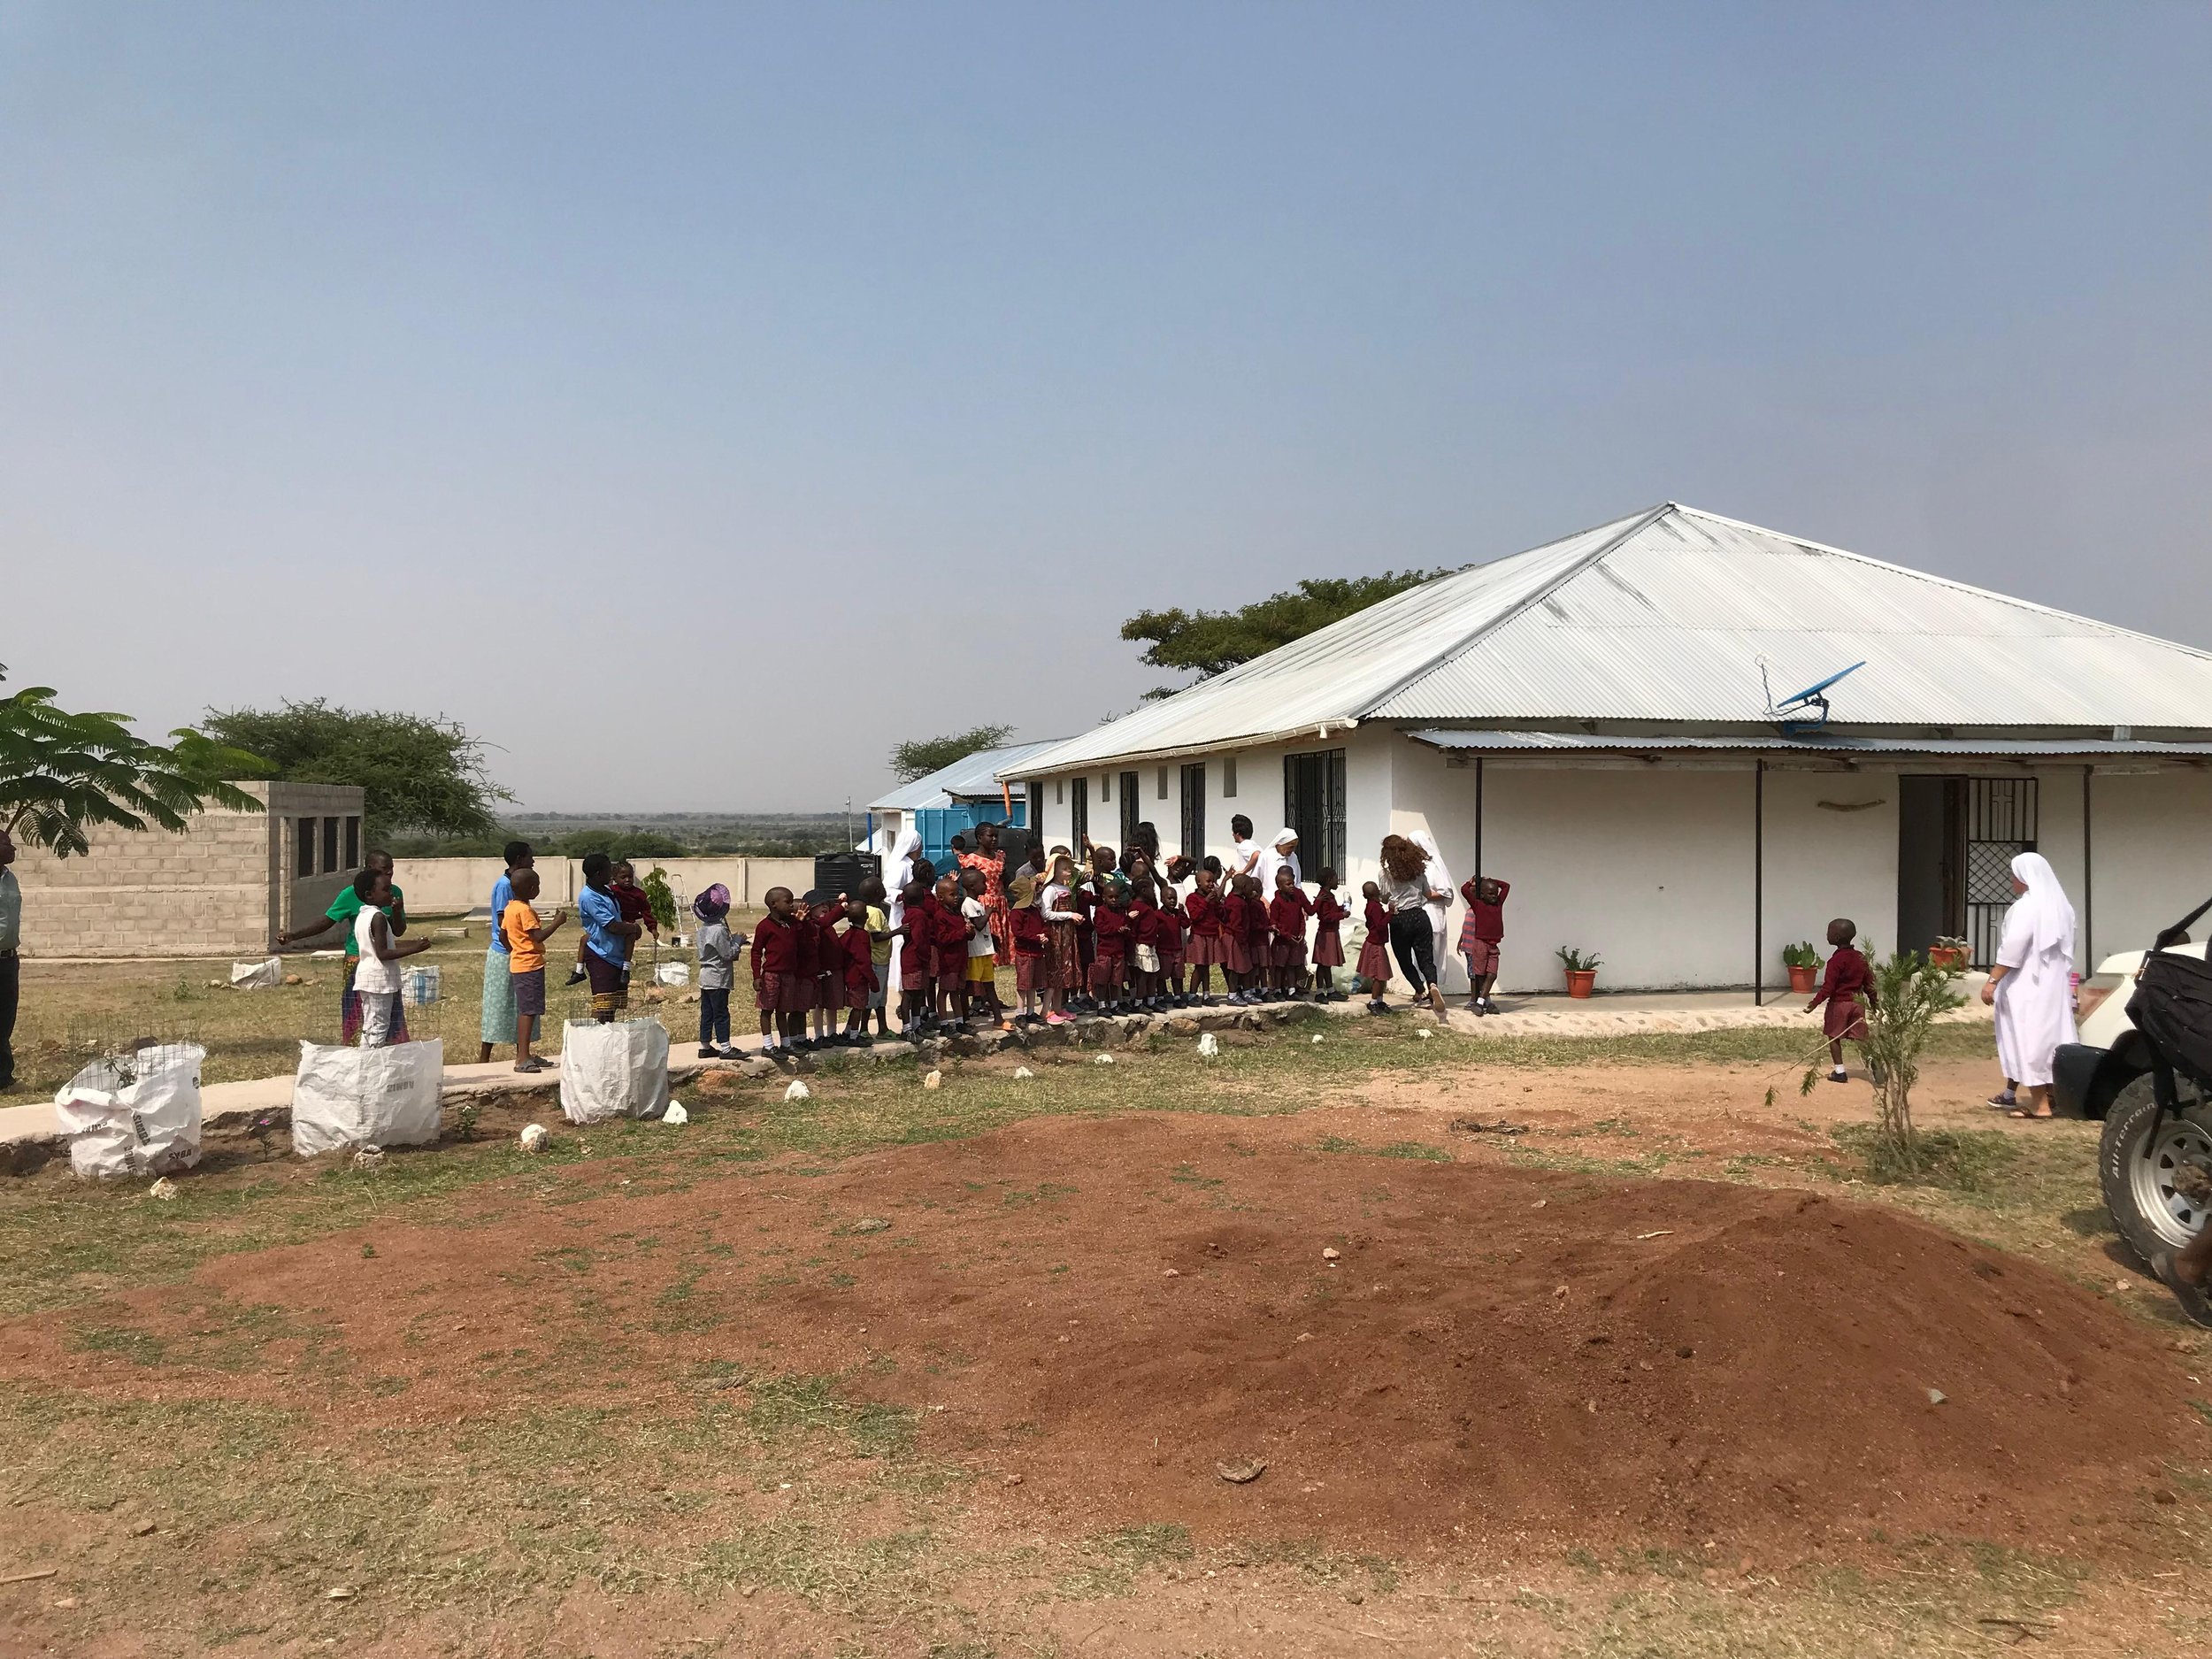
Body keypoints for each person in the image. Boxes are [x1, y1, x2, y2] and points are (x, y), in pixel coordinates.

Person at [279, 848, 411, 1045]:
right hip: (359, 961)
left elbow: (398, 931)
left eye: (391, 868)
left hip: (385, 964)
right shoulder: (350, 895)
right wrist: (294, 936)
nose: (390, 872)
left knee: (388, 1010)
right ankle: (357, 1048)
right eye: (385, 868)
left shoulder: (393, 892)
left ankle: (391, 1049)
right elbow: (327, 921)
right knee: (358, 1010)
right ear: (369, 869)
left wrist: (397, 911)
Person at [1983, 852, 2078, 1120]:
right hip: (2054, 987)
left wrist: (1992, 980)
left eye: (2014, 875)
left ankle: (2041, 1105)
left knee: (2029, 1040)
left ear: (2025, 877)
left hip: (2026, 986)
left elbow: (2013, 948)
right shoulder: (2064, 908)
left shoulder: (2026, 907)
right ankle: (2055, 1097)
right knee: (2053, 1040)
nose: (2012, 880)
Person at [350, 866, 430, 1046]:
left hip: (367, 976)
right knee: (379, 1025)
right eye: (386, 890)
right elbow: (383, 953)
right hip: (379, 979)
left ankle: (365, 1058)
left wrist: (397, 912)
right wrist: (415, 948)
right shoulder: (378, 917)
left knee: (370, 1025)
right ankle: (371, 1059)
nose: (391, 894)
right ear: (370, 895)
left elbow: (387, 941)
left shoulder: (363, 915)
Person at [500, 867, 565, 1072]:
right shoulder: (525, 911)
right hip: (530, 965)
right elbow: (538, 937)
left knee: (528, 1009)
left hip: (520, 963)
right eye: (537, 886)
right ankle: (522, 1058)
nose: (538, 889)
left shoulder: (510, 908)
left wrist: (515, 950)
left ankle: (525, 1054)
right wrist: (557, 922)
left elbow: (503, 936)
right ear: (531, 889)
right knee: (528, 1011)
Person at [1378, 834, 1448, 1017]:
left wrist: (1387, 898)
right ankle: (1432, 984)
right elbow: (1427, 894)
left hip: (1399, 919)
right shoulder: (1418, 871)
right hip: (1420, 917)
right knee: (1426, 958)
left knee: (1404, 959)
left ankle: (1420, 991)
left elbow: (1384, 898)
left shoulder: (1385, 874)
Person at [479, 840, 534, 1064]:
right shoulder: (505, 885)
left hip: (517, 952)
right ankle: (484, 1058)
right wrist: (516, 949)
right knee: (498, 1007)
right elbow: (505, 924)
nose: (533, 861)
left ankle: (524, 1053)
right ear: (519, 860)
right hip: (505, 953)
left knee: (523, 1005)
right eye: (530, 857)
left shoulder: (518, 884)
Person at [1804, 917, 1875, 1082]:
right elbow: (1870, 983)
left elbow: (1828, 988)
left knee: (1834, 1036)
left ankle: (1840, 1071)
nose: (1826, 935)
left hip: (1839, 1005)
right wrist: (1874, 1001)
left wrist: (1814, 1003)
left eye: (1829, 932)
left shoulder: (1835, 961)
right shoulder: (1861, 957)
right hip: (1858, 1004)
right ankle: (1874, 1064)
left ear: (1836, 937)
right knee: (1861, 1037)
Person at [574, 853, 641, 1023]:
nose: (611, 873)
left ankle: (607, 1037)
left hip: (615, 954)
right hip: (601, 955)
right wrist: (634, 928)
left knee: (611, 1006)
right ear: (598, 873)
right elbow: (611, 926)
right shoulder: (589, 897)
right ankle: (593, 1037)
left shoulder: (607, 891)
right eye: (608, 869)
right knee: (602, 1007)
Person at [749, 886, 803, 1052]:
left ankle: (786, 1044)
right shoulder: (765, 926)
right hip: (771, 975)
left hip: (789, 975)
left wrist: (802, 923)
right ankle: (768, 1045)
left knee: (783, 1010)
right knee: (767, 1010)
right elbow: (756, 952)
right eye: (788, 902)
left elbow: (804, 940)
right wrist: (757, 976)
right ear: (774, 904)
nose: (791, 905)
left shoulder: (793, 924)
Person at [694, 884, 743, 1059]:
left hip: (705, 977)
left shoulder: (702, 930)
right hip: (718, 977)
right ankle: (726, 1048)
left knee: (707, 1013)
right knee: (721, 1013)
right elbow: (727, 953)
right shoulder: (719, 930)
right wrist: (737, 941)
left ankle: (705, 1046)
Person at [957, 822, 1014, 970]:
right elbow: (966, 884)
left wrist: (1005, 875)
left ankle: (1003, 961)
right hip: (982, 903)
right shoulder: (971, 860)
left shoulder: (1000, 856)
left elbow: (1006, 883)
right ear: (979, 838)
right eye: (990, 836)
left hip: (1000, 901)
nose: (994, 839)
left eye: (996, 836)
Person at [1457, 874, 1511, 1016]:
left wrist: (1490, 881)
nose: (1494, 896)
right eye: (1490, 894)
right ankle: (1483, 1001)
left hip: (1493, 945)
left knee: (1492, 974)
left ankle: (1481, 1001)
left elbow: (1506, 886)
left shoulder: (1499, 903)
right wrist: (1474, 883)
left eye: (1495, 893)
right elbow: (1464, 890)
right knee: (1479, 974)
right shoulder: (1478, 905)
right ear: (1482, 895)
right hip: (1481, 943)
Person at [1041, 853, 1082, 1025]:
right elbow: (1046, 913)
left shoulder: (1065, 888)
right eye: (1064, 869)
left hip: (1067, 933)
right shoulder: (1050, 890)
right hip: (1055, 934)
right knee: (1054, 970)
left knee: (1063, 972)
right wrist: (1069, 915)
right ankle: (1045, 1010)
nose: (1069, 871)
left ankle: (1057, 1008)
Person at [958, 866, 1002, 1026]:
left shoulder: (977, 903)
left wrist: (993, 938)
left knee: (989, 984)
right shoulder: (968, 904)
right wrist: (989, 912)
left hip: (984, 950)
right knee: (968, 986)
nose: (985, 885)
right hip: (975, 952)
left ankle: (998, 1018)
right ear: (971, 886)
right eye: (982, 883)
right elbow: (979, 924)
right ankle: (964, 1019)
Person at [883, 828, 921, 1002]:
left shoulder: (911, 865)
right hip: (901, 917)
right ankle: (902, 994)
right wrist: (905, 896)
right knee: (902, 951)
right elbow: (887, 890)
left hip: (914, 915)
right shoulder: (901, 866)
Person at [1268, 864, 1312, 999]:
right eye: (1288, 884)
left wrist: (1301, 933)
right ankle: (1278, 990)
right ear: (1280, 886)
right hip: (1282, 941)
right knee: (1279, 966)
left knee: (1292, 965)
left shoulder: (1296, 901)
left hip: (1295, 941)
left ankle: (1291, 990)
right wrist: (1286, 935)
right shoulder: (1276, 903)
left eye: (1293, 883)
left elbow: (1301, 919)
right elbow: (1274, 923)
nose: (1292, 886)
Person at [841, 897, 880, 1044]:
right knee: (859, 1007)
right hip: (859, 978)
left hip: (849, 975)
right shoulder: (862, 936)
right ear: (867, 916)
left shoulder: (847, 934)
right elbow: (863, 961)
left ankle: (847, 1032)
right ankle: (854, 1036)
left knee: (855, 1007)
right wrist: (873, 980)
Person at [859, 875, 895, 1040]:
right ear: (878, 891)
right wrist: (898, 931)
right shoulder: (875, 913)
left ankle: (883, 1028)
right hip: (876, 960)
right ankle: (863, 1029)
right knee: (873, 997)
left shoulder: (875, 910)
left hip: (882, 960)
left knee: (881, 998)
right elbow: (877, 937)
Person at [1184, 860, 1223, 1004]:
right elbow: (1195, 916)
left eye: (1213, 881)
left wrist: (1217, 902)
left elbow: (1220, 914)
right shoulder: (1192, 898)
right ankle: (1192, 994)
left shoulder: (1212, 898)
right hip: (1199, 936)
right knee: (1200, 966)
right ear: (1199, 882)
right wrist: (1206, 901)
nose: (1211, 884)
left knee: (1206, 966)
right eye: (1208, 881)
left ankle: (1206, 995)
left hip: (1211, 935)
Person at [0, 826, 19, 1092]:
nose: (12, 849)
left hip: (8, 960)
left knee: (5, 1020)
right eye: (5, 845)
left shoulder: (9, 878)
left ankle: (3, 1079)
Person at [1356, 880, 1393, 1014]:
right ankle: (1373, 1002)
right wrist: (1390, 913)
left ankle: (1380, 1001)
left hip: (1377, 943)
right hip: (1375, 945)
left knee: (1382, 975)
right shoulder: (1375, 907)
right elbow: (1380, 925)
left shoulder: (1370, 906)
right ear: (1376, 893)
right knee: (1378, 975)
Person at [1310, 867, 1346, 1002]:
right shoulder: (1324, 897)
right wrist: (1341, 915)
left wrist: (1341, 909)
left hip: (1331, 932)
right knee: (1323, 964)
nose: (1338, 881)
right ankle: (1320, 992)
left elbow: (1331, 911)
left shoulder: (1329, 895)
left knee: (1327, 964)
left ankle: (1331, 990)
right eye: (1336, 878)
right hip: (1326, 934)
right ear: (1329, 880)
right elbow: (1326, 916)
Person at [1225, 815, 1262, 889]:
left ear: (1238, 834)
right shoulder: (1254, 844)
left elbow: (1257, 854)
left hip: (1251, 886)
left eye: (1233, 832)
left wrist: (1243, 871)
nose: (1232, 834)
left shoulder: (1243, 846)